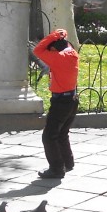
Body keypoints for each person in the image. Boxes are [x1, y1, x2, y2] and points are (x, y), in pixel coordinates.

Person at [34, 28, 79, 179]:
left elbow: (37, 50)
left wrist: (54, 36)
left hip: (61, 101)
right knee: (62, 133)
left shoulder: (59, 57)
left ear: (54, 49)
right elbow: (65, 43)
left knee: (49, 136)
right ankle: (68, 162)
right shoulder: (72, 53)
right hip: (72, 99)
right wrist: (60, 36)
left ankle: (57, 169)